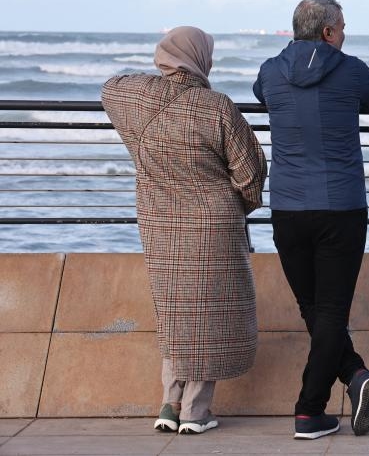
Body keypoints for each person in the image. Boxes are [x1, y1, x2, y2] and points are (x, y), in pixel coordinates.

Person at [101, 26, 267, 436]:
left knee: (175, 312)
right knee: (208, 314)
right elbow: (251, 174)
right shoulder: (217, 107)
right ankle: (195, 412)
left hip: (158, 222)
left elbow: (110, 86)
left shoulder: (134, 99)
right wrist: (236, 205)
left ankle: (168, 405)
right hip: (213, 223)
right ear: (202, 58)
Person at [253, 0, 369, 440]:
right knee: (330, 310)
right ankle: (309, 410)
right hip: (341, 207)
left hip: (288, 208)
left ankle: (354, 377)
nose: (345, 34)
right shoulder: (349, 69)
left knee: (313, 308)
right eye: (343, 27)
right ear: (329, 33)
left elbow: (262, 95)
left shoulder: (270, 70)